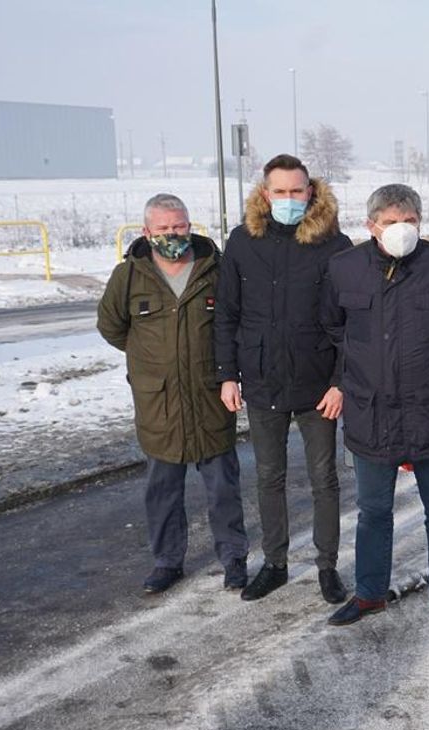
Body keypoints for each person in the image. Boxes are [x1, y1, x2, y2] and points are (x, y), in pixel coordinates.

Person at [321, 184, 429, 632]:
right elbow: (334, 327)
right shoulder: (344, 268)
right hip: (370, 414)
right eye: (391, 222)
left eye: (409, 221)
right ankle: (369, 593)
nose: (401, 230)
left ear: (420, 222)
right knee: (374, 510)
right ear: (371, 225)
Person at [215, 154, 353, 604]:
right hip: (261, 380)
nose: (289, 199)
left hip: (318, 385)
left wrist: (340, 381)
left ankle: (327, 566)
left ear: (310, 192)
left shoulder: (335, 245)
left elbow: (351, 323)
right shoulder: (241, 242)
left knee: (323, 479)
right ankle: (275, 563)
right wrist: (227, 376)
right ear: (264, 193)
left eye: (297, 191)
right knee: (269, 477)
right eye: (281, 192)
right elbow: (227, 316)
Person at [98, 193, 248, 594]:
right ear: (147, 233)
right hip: (158, 403)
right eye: (163, 229)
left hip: (209, 399)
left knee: (222, 488)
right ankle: (167, 561)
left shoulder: (215, 269)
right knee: (162, 490)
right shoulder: (128, 276)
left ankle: (233, 558)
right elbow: (112, 327)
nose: (172, 235)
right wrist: (150, 361)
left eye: (179, 226)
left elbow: (234, 324)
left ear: (190, 225)